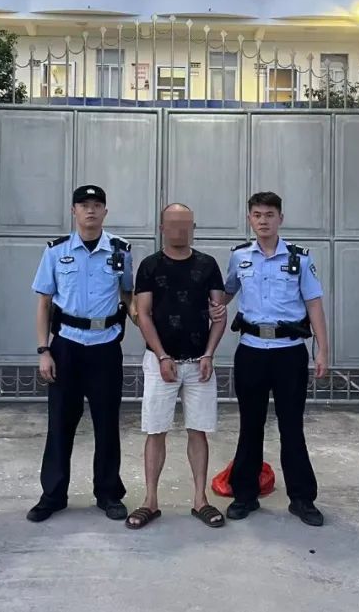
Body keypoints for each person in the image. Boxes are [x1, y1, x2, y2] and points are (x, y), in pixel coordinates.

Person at [215, 191, 330, 527]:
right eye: (257, 215)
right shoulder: (239, 257)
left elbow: (314, 304)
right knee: (250, 425)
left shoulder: (299, 259)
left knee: (291, 427)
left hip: (288, 353)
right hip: (251, 350)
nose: (263, 221)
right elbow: (225, 294)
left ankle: (302, 499)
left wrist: (323, 350)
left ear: (281, 218)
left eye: (269, 215)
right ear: (249, 219)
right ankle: (244, 494)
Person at [27, 185, 133, 523]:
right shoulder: (56, 252)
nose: (90, 211)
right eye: (84, 205)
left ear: (105, 211)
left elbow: (129, 297)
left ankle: (108, 494)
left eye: (97, 205)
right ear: (73, 211)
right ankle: (53, 495)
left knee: (107, 423)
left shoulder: (120, 251)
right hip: (66, 347)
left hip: (105, 347)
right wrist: (44, 350)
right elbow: (44, 303)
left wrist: (149, 325)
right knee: (60, 422)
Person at [125, 204, 227, 530]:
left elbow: (219, 314)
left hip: (199, 363)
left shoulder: (207, 265)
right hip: (160, 362)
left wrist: (209, 354)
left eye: (186, 225)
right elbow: (143, 314)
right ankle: (150, 501)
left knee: (198, 430)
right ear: (162, 228)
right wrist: (161, 355)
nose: (179, 230)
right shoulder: (150, 266)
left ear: (193, 228)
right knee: (155, 430)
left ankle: (200, 500)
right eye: (173, 224)